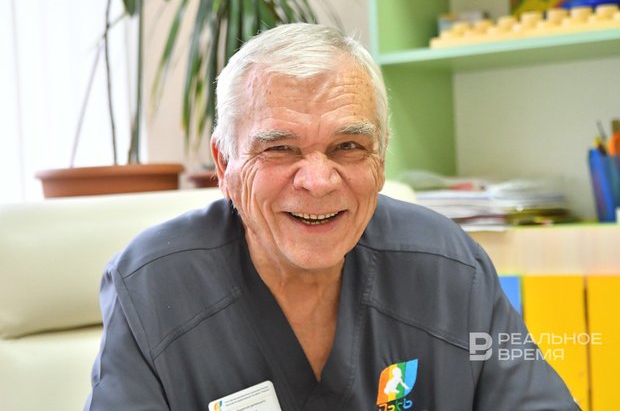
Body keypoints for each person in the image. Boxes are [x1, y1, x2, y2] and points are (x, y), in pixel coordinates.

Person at [85, 23, 579, 410]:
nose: (318, 181)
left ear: (381, 159)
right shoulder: (151, 286)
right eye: (279, 149)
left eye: (349, 146)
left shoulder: (451, 267)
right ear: (224, 163)